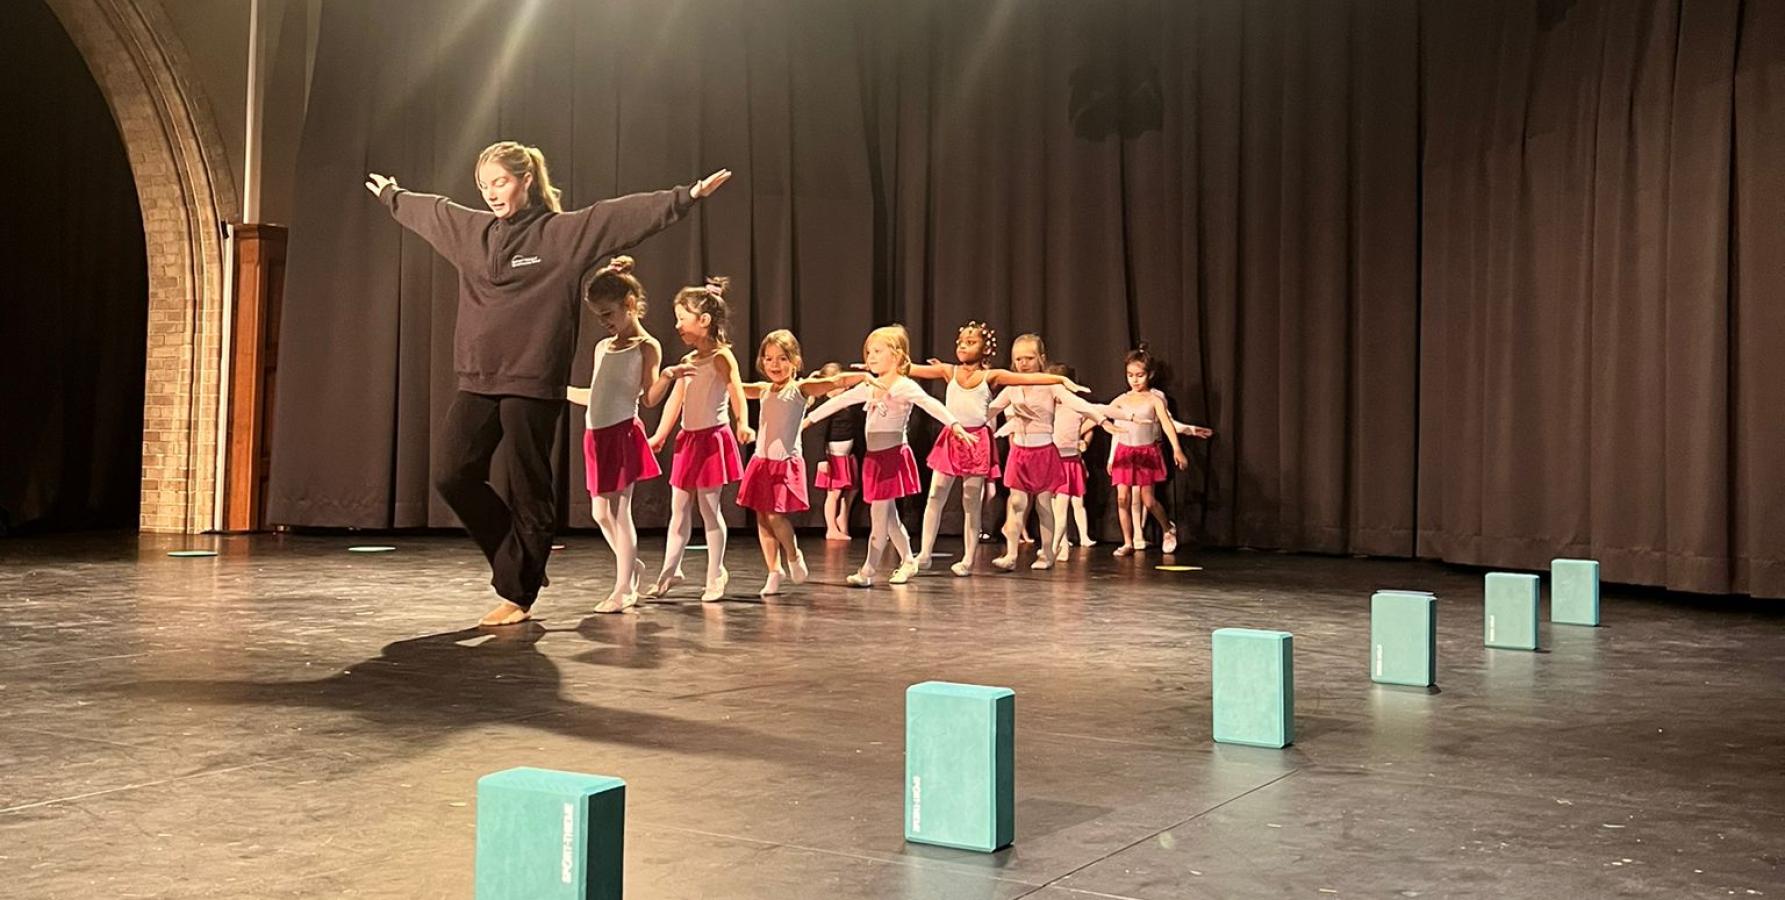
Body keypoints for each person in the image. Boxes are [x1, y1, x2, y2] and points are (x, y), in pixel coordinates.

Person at [365, 141, 730, 625]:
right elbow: (433, 212)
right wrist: (392, 195)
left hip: (534, 379)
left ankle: (519, 592)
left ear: (526, 180)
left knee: (527, 485)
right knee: (451, 473)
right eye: (484, 185)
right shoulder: (473, 234)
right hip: (479, 375)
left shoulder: (561, 236)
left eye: (500, 181)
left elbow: (619, 217)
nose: (491, 192)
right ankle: (522, 561)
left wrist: (686, 196)